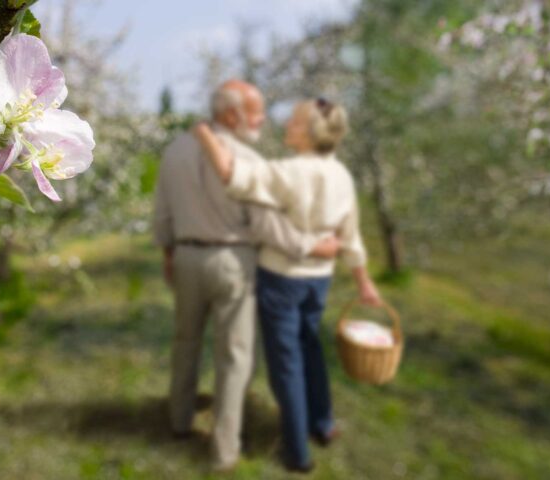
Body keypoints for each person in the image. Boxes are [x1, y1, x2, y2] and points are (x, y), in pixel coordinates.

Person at [152, 80, 339, 472]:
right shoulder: (248, 160)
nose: (262, 118)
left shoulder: (175, 149)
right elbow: (268, 227)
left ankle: (179, 422)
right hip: (234, 261)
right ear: (231, 114)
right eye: (256, 111)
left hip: (186, 257)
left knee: (185, 342)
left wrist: (170, 254)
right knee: (234, 358)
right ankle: (224, 451)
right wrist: (311, 246)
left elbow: (163, 212)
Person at [193, 98, 383, 473]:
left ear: (311, 133)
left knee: (287, 365)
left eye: (294, 122)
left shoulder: (287, 172)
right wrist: (364, 282)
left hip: (281, 279)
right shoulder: (342, 176)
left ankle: (297, 453)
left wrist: (205, 135)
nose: (286, 125)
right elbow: (350, 235)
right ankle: (323, 424)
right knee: (311, 348)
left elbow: (231, 174)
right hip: (319, 280)